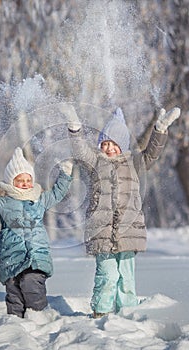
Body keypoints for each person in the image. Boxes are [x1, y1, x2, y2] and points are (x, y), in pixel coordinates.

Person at [59, 103, 181, 318]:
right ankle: (102, 312)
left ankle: (127, 312)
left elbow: (152, 153)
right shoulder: (95, 162)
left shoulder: (134, 162)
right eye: (105, 143)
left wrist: (160, 130)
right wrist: (74, 128)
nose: (109, 148)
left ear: (123, 145)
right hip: (102, 232)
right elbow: (79, 149)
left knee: (126, 275)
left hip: (128, 231)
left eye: (114, 144)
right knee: (106, 274)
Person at [0, 147, 73, 318]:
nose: (25, 183)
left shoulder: (39, 199)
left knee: (32, 286)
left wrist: (65, 175)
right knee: (14, 297)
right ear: (11, 182)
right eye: (20, 180)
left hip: (36, 256)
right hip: (11, 257)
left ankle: (40, 319)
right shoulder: (3, 202)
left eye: (28, 179)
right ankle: (17, 330)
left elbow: (57, 193)